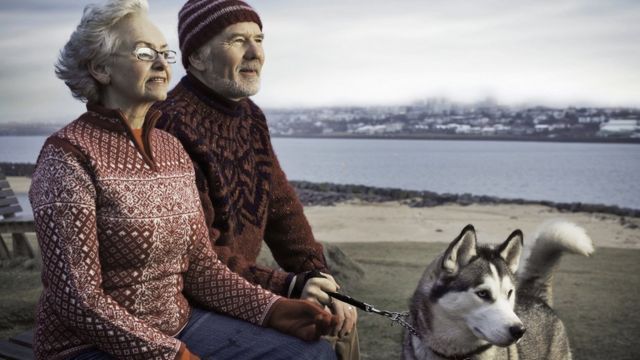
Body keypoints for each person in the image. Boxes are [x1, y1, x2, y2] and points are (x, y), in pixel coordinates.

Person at [29, 0, 338, 359]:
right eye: (145, 52)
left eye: (165, 53)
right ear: (100, 68)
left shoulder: (169, 148)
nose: (162, 64)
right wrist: (168, 354)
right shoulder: (67, 157)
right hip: (86, 345)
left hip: (178, 323)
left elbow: (201, 267)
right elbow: (77, 300)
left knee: (310, 354)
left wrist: (274, 308)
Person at [153, 1, 359, 358]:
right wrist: (290, 285)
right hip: (188, 302)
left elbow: (282, 211)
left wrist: (318, 275)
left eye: (259, 39)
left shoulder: (250, 117)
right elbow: (200, 259)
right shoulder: (170, 125)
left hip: (238, 288)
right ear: (197, 58)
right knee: (312, 350)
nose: (255, 53)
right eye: (236, 40)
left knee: (340, 322)